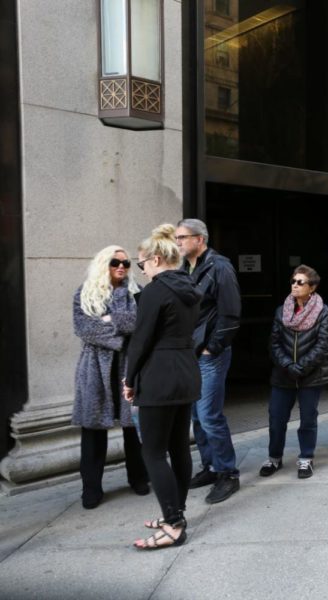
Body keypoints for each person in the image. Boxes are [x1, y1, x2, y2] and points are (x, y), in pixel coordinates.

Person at [124, 224, 202, 550]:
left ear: (156, 260)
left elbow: (141, 341)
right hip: (185, 371)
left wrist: (129, 379)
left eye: (142, 265)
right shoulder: (189, 285)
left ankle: (173, 523)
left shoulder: (156, 291)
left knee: (153, 452)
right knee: (179, 447)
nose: (142, 271)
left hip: (159, 375)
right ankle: (177, 512)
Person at [72, 246, 149, 509]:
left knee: (133, 428)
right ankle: (91, 488)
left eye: (126, 263)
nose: (121, 266)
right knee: (93, 432)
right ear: (103, 263)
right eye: (115, 262)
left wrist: (110, 317)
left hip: (129, 366)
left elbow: (138, 325)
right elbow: (84, 329)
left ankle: (139, 478)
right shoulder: (83, 294)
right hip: (94, 369)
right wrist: (120, 329)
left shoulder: (135, 294)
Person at [176, 218, 242, 504]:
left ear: (199, 239)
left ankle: (228, 473)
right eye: (176, 238)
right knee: (196, 417)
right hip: (188, 354)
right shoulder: (185, 268)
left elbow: (231, 313)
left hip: (208, 354)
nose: (177, 242)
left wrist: (212, 348)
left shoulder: (219, 267)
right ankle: (211, 467)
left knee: (209, 416)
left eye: (182, 237)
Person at [261, 265, 328, 479]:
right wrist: (287, 366)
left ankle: (306, 459)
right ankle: (274, 458)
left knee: (308, 419)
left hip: (311, 376)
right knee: (276, 419)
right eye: (293, 281)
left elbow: (324, 345)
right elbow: (273, 343)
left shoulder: (323, 312)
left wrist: (301, 367)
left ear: (312, 287)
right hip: (283, 375)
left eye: (300, 282)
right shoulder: (281, 310)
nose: (295, 285)